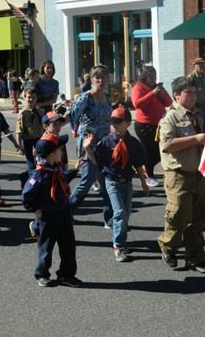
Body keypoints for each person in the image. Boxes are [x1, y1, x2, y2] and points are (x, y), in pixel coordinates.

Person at [157, 76, 205, 273]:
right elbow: (167, 145)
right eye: (188, 93)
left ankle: (196, 258)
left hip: (200, 172)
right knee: (179, 214)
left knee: (198, 218)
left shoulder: (201, 114)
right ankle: (169, 246)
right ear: (176, 95)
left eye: (195, 93)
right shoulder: (170, 118)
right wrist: (196, 139)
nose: (192, 97)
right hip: (179, 173)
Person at [83, 106, 149, 262]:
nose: (115, 125)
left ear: (127, 122)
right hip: (111, 182)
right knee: (119, 212)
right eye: (113, 122)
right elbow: (97, 161)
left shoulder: (133, 143)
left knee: (126, 214)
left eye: (119, 122)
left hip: (127, 182)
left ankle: (121, 240)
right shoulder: (106, 141)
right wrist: (87, 148)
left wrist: (143, 182)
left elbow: (138, 165)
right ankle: (118, 245)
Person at [22, 132, 82, 288]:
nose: (62, 152)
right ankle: (42, 274)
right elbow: (27, 194)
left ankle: (66, 275)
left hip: (63, 211)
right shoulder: (40, 174)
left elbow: (62, 180)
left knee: (68, 245)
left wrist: (74, 171)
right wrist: (35, 209)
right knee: (46, 247)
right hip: (48, 215)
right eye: (60, 149)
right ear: (51, 154)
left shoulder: (56, 168)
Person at [68, 65, 113, 227]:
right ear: (92, 80)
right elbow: (72, 115)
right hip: (89, 144)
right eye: (97, 77)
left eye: (104, 77)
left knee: (107, 181)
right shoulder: (85, 97)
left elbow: (109, 118)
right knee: (87, 181)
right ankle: (67, 212)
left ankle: (110, 218)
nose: (101, 80)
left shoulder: (108, 97)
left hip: (105, 143)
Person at [130, 66, 173, 188]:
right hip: (144, 125)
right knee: (150, 151)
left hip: (159, 124)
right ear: (145, 77)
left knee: (162, 149)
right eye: (151, 77)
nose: (154, 79)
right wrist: (152, 93)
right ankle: (149, 176)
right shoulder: (138, 87)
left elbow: (169, 103)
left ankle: (145, 167)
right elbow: (137, 103)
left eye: (155, 76)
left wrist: (162, 92)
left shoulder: (155, 88)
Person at [16, 88, 44, 176]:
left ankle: (39, 182)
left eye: (33, 97)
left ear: (36, 99)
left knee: (41, 163)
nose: (31, 99)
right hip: (28, 141)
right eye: (28, 97)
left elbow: (45, 127)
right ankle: (31, 183)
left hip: (39, 140)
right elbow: (18, 132)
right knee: (31, 163)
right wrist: (19, 147)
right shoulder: (22, 114)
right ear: (24, 98)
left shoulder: (41, 112)